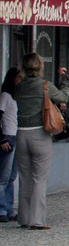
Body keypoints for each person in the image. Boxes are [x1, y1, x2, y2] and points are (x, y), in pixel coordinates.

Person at [12, 53, 69, 230]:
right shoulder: (44, 86)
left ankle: (24, 217)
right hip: (40, 133)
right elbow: (62, 97)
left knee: (25, 177)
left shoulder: (19, 87)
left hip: (21, 133)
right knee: (39, 178)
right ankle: (37, 220)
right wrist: (65, 81)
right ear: (40, 67)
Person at [0, 67, 22, 222]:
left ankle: (9, 208)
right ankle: (2, 209)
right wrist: (2, 139)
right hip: (7, 136)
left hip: (16, 136)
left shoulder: (15, 97)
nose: (21, 81)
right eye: (18, 78)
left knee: (12, 176)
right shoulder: (5, 96)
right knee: (4, 176)